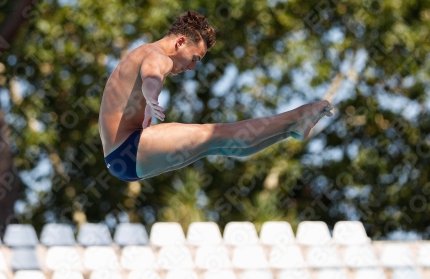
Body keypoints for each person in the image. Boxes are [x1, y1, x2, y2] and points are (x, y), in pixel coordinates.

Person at [98, 11, 333, 182]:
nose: (192, 67)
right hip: (130, 147)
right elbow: (152, 76)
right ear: (180, 42)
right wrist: (151, 96)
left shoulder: (141, 53)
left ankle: (290, 129)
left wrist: (147, 107)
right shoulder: (156, 55)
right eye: (195, 58)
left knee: (219, 144)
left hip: (122, 157)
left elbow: (136, 89)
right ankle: (298, 116)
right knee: (217, 133)